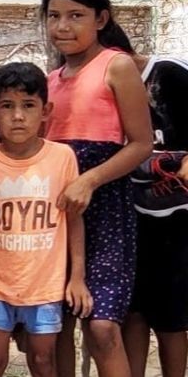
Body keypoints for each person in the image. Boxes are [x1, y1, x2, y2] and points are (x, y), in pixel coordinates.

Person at [42, 0, 153, 377]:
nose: (63, 26)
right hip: (58, 212)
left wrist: (89, 180)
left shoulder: (116, 66)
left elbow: (141, 143)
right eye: (54, 16)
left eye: (76, 15)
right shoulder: (50, 82)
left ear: (101, 19)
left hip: (106, 210)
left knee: (103, 326)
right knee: (56, 328)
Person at [0, 62, 92, 377]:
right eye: (7, 106)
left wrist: (76, 277)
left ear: (46, 110)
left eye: (28, 105)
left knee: (42, 361)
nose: (18, 116)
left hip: (46, 286)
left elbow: (74, 221)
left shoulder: (62, 158)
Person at [122, 53, 188, 377]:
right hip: (129, 220)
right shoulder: (104, 91)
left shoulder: (171, 76)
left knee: (171, 320)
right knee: (134, 313)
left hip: (175, 224)